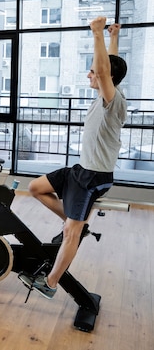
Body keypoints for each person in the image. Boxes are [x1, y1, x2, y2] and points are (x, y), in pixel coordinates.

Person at [19, 17, 127, 299]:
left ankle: (51, 283)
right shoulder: (107, 95)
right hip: (80, 170)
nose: (89, 75)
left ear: (106, 78)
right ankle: (76, 222)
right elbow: (110, 66)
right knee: (35, 188)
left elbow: (106, 71)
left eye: (92, 72)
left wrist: (97, 34)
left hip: (94, 176)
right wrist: (113, 36)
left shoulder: (112, 100)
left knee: (69, 233)